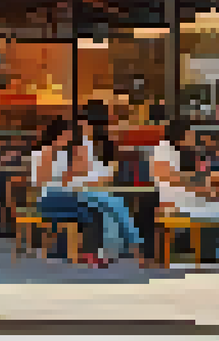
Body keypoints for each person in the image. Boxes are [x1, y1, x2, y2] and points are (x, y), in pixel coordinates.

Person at [69, 102, 145, 266]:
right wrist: (93, 178)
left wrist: (95, 178)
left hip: (100, 190)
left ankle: (110, 252)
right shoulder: (77, 144)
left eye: (84, 120)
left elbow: (110, 174)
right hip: (81, 190)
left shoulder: (104, 145)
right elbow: (74, 173)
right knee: (115, 203)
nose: (81, 123)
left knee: (109, 210)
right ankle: (134, 241)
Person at [152, 120, 219, 262]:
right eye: (191, 135)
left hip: (187, 197)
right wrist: (202, 190)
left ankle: (216, 252)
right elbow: (169, 177)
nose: (194, 139)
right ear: (181, 135)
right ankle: (216, 253)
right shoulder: (163, 149)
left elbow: (193, 179)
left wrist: (206, 189)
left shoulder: (186, 153)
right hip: (174, 200)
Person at [31, 117, 98, 259]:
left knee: (90, 209)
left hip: (65, 195)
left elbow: (83, 169)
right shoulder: (42, 152)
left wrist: (85, 141)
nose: (70, 138)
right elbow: (40, 180)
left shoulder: (64, 154)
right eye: (68, 134)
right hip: (49, 197)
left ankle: (72, 249)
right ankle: (77, 250)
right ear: (59, 135)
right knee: (88, 210)